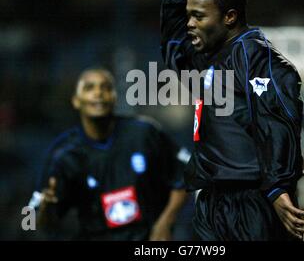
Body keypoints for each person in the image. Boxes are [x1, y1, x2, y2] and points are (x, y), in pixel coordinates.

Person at [158, 0, 304, 240]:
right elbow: (174, 52)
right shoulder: (212, 57)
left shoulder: (258, 58)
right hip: (213, 201)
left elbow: (276, 122)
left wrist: (278, 188)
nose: (189, 23)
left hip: (253, 201)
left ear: (229, 17)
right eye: (188, 15)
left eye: (198, 16)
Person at [28, 67, 189, 240]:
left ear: (114, 97)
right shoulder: (63, 154)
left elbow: (186, 174)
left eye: (105, 87)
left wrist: (165, 222)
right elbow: (30, 219)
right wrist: (46, 211)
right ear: (76, 100)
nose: (98, 93)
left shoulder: (144, 133)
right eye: (89, 88)